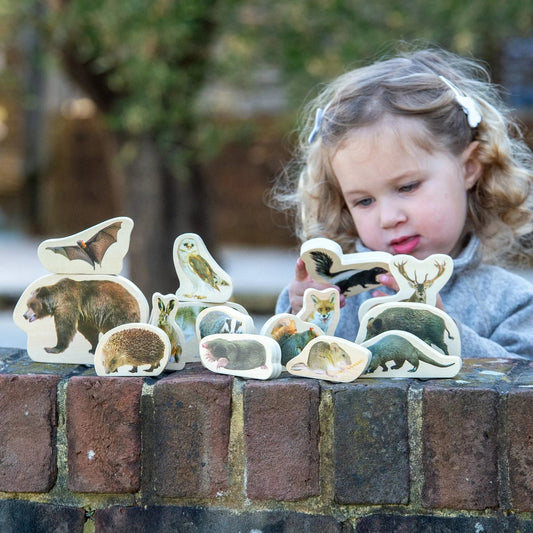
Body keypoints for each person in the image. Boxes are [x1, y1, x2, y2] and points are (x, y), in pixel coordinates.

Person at [274, 46, 533, 360]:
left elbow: (520, 393)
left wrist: (443, 331)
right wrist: (301, 313)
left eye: (407, 186)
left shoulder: (511, 302)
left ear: (468, 168)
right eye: (364, 200)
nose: (388, 218)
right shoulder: (340, 296)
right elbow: (284, 380)